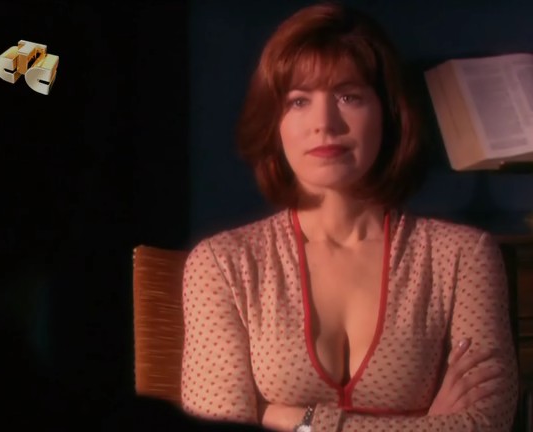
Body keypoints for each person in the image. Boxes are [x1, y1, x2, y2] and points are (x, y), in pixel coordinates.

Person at [180, 2, 518, 431]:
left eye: (348, 96)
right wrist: (427, 424)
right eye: (299, 101)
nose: (324, 123)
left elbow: (486, 425)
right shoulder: (223, 263)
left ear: (388, 113)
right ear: (274, 123)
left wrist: (290, 420)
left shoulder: (463, 257)